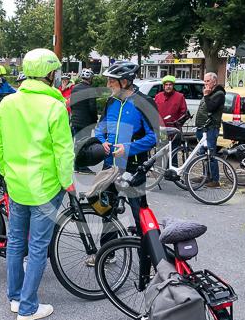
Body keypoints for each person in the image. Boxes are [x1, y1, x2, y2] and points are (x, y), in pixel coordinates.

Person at [0, 48, 74, 320]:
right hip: (45, 187)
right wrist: (67, 182)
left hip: (17, 184)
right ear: (50, 74)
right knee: (37, 247)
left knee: (16, 242)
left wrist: (7, 173)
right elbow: (63, 151)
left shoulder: (8, 103)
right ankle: (28, 307)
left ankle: (15, 298)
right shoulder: (55, 106)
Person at [94, 61, 157, 232]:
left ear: (125, 81)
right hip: (111, 164)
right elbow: (101, 128)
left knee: (139, 212)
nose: (108, 85)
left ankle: (144, 250)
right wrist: (102, 141)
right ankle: (108, 252)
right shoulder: (111, 102)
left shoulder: (144, 102)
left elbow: (154, 137)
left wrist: (128, 148)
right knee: (105, 210)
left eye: (111, 81)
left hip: (134, 167)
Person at [193, 72, 225, 187]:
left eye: (208, 81)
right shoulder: (209, 91)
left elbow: (211, 107)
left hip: (210, 128)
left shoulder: (219, 94)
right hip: (202, 127)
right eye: (204, 81)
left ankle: (215, 179)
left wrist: (206, 95)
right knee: (203, 153)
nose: (205, 84)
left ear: (214, 81)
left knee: (210, 153)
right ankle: (205, 176)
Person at [154, 74, 188, 166]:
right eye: (166, 84)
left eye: (170, 84)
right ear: (163, 86)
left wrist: (178, 123)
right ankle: (159, 169)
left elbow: (184, 112)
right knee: (161, 150)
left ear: (173, 85)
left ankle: (172, 170)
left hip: (174, 129)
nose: (168, 86)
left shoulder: (180, 96)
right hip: (161, 129)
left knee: (173, 151)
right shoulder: (158, 96)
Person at [69, 68, 98, 174]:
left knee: (77, 143)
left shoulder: (74, 88)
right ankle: (82, 166)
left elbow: (71, 103)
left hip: (75, 121)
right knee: (85, 144)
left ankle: (76, 165)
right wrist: (95, 121)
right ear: (90, 78)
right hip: (86, 122)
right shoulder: (91, 90)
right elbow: (92, 108)